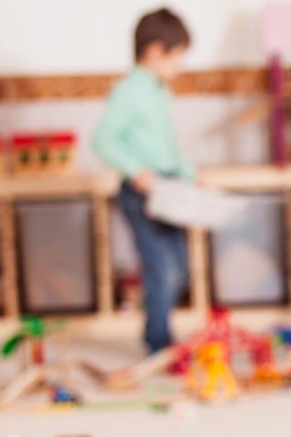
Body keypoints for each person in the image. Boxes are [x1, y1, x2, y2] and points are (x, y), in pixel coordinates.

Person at [93, 7, 194, 354]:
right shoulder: (128, 90)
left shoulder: (157, 89)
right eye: (177, 57)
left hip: (169, 188)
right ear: (154, 51)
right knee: (162, 268)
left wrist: (190, 178)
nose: (179, 67)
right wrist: (136, 171)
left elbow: (168, 145)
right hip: (141, 193)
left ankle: (161, 331)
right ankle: (158, 340)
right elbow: (104, 139)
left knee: (180, 266)